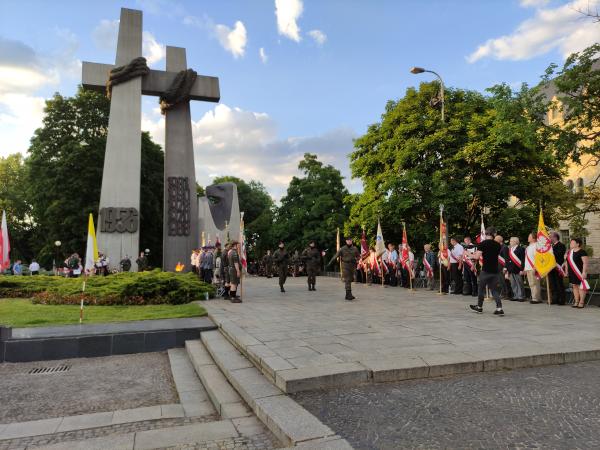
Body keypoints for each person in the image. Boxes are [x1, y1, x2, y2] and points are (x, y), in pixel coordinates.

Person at [470, 227, 504, 316]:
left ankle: (479, 307)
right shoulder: (498, 245)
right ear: (494, 234)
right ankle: (499, 308)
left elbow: (476, 257)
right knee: (494, 290)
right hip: (495, 270)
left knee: (481, 288)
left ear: (486, 234)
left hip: (485, 271)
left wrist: (467, 253)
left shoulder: (482, 244)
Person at [564, 237, 589, 308]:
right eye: (571, 242)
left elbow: (585, 263)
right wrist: (566, 271)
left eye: (572, 242)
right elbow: (566, 263)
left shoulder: (582, 252)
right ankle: (576, 301)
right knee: (574, 286)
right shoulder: (569, 252)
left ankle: (581, 302)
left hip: (580, 272)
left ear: (577, 244)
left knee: (581, 287)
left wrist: (584, 272)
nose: (571, 244)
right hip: (572, 272)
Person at [549, 231, 567, 305]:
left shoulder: (561, 245)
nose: (549, 238)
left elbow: (559, 254)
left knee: (559, 284)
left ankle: (561, 300)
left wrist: (550, 252)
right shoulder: (551, 246)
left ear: (555, 237)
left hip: (558, 267)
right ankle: (554, 299)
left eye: (550, 237)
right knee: (553, 284)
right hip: (551, 267)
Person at [506, 237, 526, 302]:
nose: (510, 242)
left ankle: (521, 296)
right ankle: (515, 296)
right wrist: (507, 269)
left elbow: (523, 260)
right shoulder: (510, 249)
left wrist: (522, 269)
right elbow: (508, 260)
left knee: (519, 283)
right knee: (513, 283)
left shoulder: (521, 249)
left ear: (515, 242)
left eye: (511, 241)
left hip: (518, 269)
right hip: (511, 269)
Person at [524, 233, 542, 304]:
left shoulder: (536, 246)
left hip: (533, 267)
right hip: (528, 267)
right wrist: (525, 268)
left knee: (535, 283)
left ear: (533, 238)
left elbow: (537, 258)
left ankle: (536, 298)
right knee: (531, 284)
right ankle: (534, 297)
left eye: (529, 236)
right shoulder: (528, 247)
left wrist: (535, 267)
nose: (528, 237)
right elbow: (526, 258)